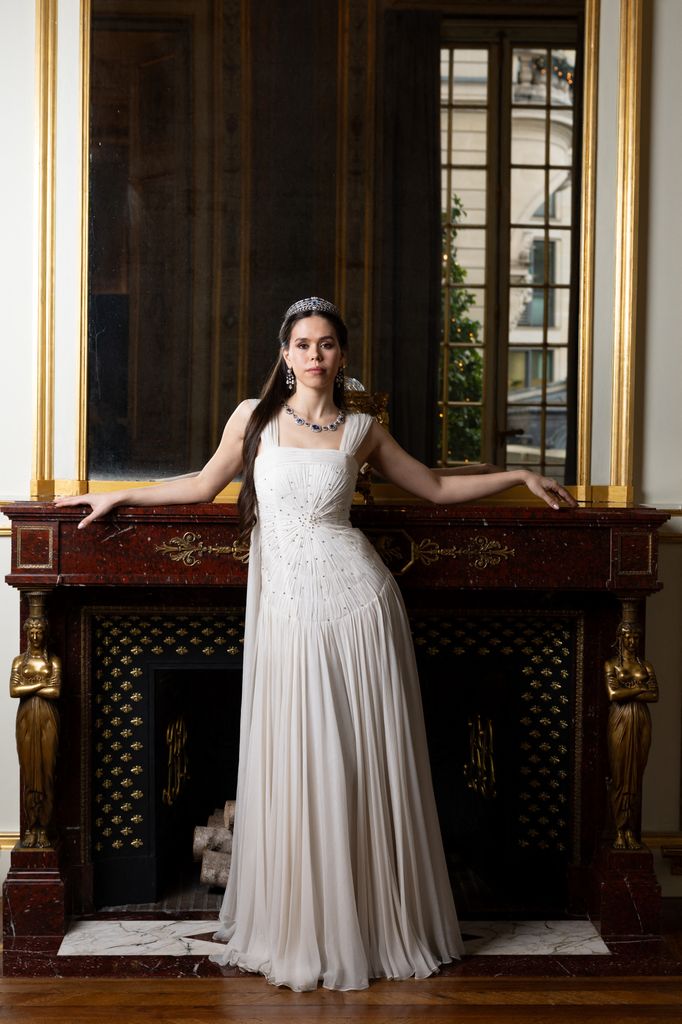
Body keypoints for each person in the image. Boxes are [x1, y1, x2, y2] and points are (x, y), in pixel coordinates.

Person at [55, 296, 576, 990]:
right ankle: (302, 922)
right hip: (288, 611)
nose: (315, 355)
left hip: (360, 604)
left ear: (342, 355)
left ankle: (363, 923)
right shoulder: (255, 418)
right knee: (301, 754)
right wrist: (120, 497)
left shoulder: (361, 429)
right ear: (284, 353)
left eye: (327, 344)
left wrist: (515, 474)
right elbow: (206, 483)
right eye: (303, 344)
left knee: (359, 759)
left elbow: (437, 487)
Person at [604, 620, 659, 851]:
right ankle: (619, 830)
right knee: (619, 774)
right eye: (627, 636)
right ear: (619, 638)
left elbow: (654, 695)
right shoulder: (612, 664)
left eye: (635, 637)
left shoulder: (646, 665)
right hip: (620, 719)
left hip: (641, 721)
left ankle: (630, 832)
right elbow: (613, 694)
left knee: (635, 775)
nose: (632, 641)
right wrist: (639, 688)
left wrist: (630, 691)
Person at [10, 613, 62, 849]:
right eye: (31, 632)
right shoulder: (19, 661)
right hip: (27, 717)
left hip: (48, 718)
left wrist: (30, 688)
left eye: (39, 631)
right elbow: (13, 690)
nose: (35, 636)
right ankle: (32, 828)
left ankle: (45, 829)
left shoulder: (54, 661)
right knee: (29, 771)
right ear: (26, 634)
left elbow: (56, 693)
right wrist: (42, 684)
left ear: (45, 633)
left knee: (47, 770)